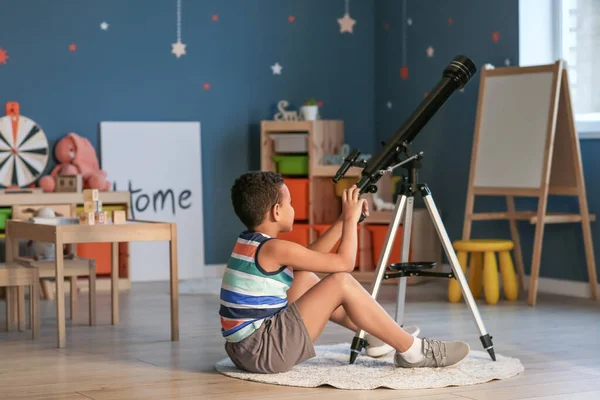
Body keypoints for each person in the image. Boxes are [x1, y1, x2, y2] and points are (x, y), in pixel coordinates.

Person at [220, 171, 470, 374]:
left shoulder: (252, 243)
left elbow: (308, 261)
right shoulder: (274, 248)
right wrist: (351, 222)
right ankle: (413, 351)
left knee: (304, 277)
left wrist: (342, 220)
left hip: (244, 351)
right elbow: (344, 264)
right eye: (290, 203)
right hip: (265, 352)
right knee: (341, 282)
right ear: (276, 211)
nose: (293, 208)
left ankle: (374, 335)